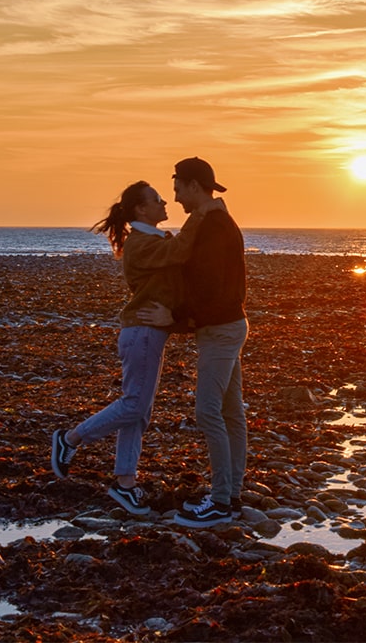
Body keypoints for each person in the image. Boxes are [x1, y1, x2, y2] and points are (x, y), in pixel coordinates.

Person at [50, 180, 223, 516]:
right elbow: (179, 253)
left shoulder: (154, 239)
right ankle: (70, 439)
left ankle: (125, 482)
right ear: (142, 209)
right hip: (141, 331)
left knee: (139, 410)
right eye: (157, 200)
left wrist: (176, 318)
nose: (165, 203)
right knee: (133, 404)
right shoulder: (141, 244)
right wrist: (201, 213)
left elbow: (178, 266)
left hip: (150, 332)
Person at [137, 157, 248, 528]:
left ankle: (219, 501)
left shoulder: (214, 226)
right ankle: (230, 497)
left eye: (178, 190)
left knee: (208, 413)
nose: (177, 199)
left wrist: (180, 319)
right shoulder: (216, 221)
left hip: (219, 328)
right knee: (232, 414)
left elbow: (211, 288)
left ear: (195, 187)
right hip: (227, 326)